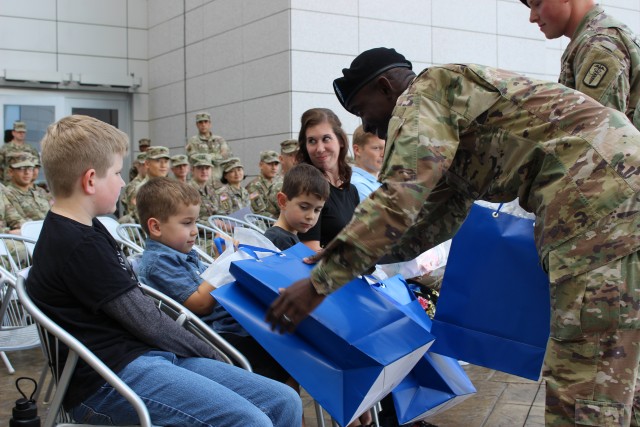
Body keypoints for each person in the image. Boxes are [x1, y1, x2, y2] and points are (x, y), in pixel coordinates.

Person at [266, 47, 640, 426]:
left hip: (600, 203)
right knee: (619, 370)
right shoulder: (450, 111)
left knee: (585, 380)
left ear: (385, 87)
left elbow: (399, 196)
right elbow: (432, 219)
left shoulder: (423, 96)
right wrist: (354, 258)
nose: (372, 127)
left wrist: (320, 282)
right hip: (614, 198)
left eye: (364, 111)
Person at [26, 114, 302, 426]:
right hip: (108, 381)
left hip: (143, 359)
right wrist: (211, 352)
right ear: (90, 180)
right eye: (117, 173)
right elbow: (147, 322)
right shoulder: (77, 244)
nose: (122, 182)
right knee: (251, 421)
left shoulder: (85, 229)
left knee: (284, 400)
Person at [136, 176, 306, 425]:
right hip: (208, 339)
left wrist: (225, 259)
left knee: (287, 344)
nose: (195, 230)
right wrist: (226, 264)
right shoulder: (158, 262)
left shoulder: (180, 252)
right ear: (156, 227)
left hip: (220, 329)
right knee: (282, 352)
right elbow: (199, 302)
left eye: (195, 221)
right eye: (187, 223)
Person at [522, 0, 640, 129]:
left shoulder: (599, 45)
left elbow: (595, 136)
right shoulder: (590, 40)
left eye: (537, 3)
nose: (532, 17)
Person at [295, 108, 360, 252]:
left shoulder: (351, 190)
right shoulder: (308, 188)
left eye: (326, 139)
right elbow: (310, 251)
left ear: (341, 141)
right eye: (312, 141)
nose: (319, 148)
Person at [264, 163, 329, 251]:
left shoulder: (288, 237)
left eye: (317, 210)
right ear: (283, 201)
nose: (311, 216)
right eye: (304, 207)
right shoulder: (278, 239)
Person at [121, 146, 170, 223]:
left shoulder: (172, 188)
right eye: (158, 161)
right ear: (147, 164)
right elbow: (140, 220)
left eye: (166, 162)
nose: (163, 166)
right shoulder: (141, 190)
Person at [3, 152, 51, 221]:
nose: (27, 172)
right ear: (11, 172)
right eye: (21, 168)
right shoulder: (7, 194)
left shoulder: (40, 192)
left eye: (30, 168)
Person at [186, 112, 233, 181]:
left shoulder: (219, 140)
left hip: (218, 180)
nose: (203, 124)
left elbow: (227, 156)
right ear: (197, 125)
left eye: (205, 122)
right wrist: (216, 156)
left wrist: (206, 157)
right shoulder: (192, 141)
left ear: (210, 123)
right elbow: (193, 159)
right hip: (200, 180)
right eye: (200, 122)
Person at [350, 125, 385, 201]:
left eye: (386, 148)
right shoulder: (358, 185)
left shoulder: (376, 182)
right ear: (357, 150)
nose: (383, 154)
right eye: (376, 148)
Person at [245, 150, 282, 218]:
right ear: (261, 165)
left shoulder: (282, 181)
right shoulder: (253, 186)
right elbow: (259, 212)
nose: (274, 168)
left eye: (276, 164)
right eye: (270, 164)